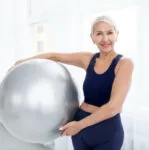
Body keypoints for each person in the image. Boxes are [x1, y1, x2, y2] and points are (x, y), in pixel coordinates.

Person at [9, 15, 134, 150]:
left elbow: (113, 107)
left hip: (106, 131)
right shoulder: (87, 59)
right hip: (81, 130)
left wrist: (79, 125)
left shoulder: (124, 64)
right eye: (99, 34)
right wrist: (22, 62)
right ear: (92, 37)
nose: (105, 39)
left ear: (116, 35)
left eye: (109, 33)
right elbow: (54, 56)